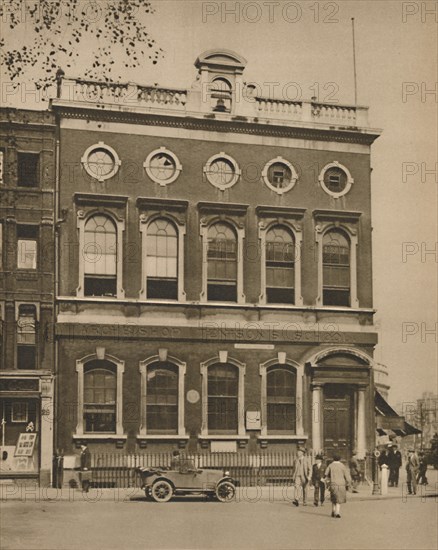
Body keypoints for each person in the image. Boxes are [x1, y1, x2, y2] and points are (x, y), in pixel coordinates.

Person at [324, 454, 352, 519]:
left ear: (333, 458)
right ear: (340, 459)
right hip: (341, 484)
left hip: (333, 484)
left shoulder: (330, 465)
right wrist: (349, 483)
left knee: (334, 498)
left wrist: (326, 480)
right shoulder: (342, 466)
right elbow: (347, 476)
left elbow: (326, 474)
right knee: (339, 499)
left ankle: (333, 511)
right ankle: (337, 512)